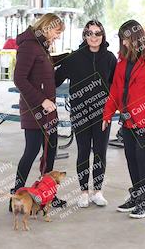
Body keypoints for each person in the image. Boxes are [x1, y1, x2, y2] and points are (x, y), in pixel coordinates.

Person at [102, 20, 145, 219]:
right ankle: (136, 195)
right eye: (122, 40)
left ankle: (144, 201)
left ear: (137, 37)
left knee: (141, 157)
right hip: (127, 117)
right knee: (130, 157)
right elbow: (115, 87)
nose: (124, 43)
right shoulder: (123, 57)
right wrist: (107, 113)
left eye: (127, 39)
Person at [55, 20, 117, 208]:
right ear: (85, 36)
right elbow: (55, 80)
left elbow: (116, 86)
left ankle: (97, 192)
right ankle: (83, 192)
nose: (94, 37)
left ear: (103, 35)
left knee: (100, 153)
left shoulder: (110, 58)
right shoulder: (74, 58)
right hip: (81, 113)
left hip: (102, 115)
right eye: (90, 33)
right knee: (83, 152)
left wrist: (111, 110)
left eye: (97, 33)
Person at [11, 13, 66, 208]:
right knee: (32, 151)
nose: (57, 36)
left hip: (48, 110)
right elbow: (19, 79)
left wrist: (69, 56)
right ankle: (16, 196)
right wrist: (41, 100)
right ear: (46, 27)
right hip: (34, 110)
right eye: (57, 32)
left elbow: (44, 68)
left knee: (50, 151)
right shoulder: (28, 46)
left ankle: (48, 194)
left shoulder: (41, 47)